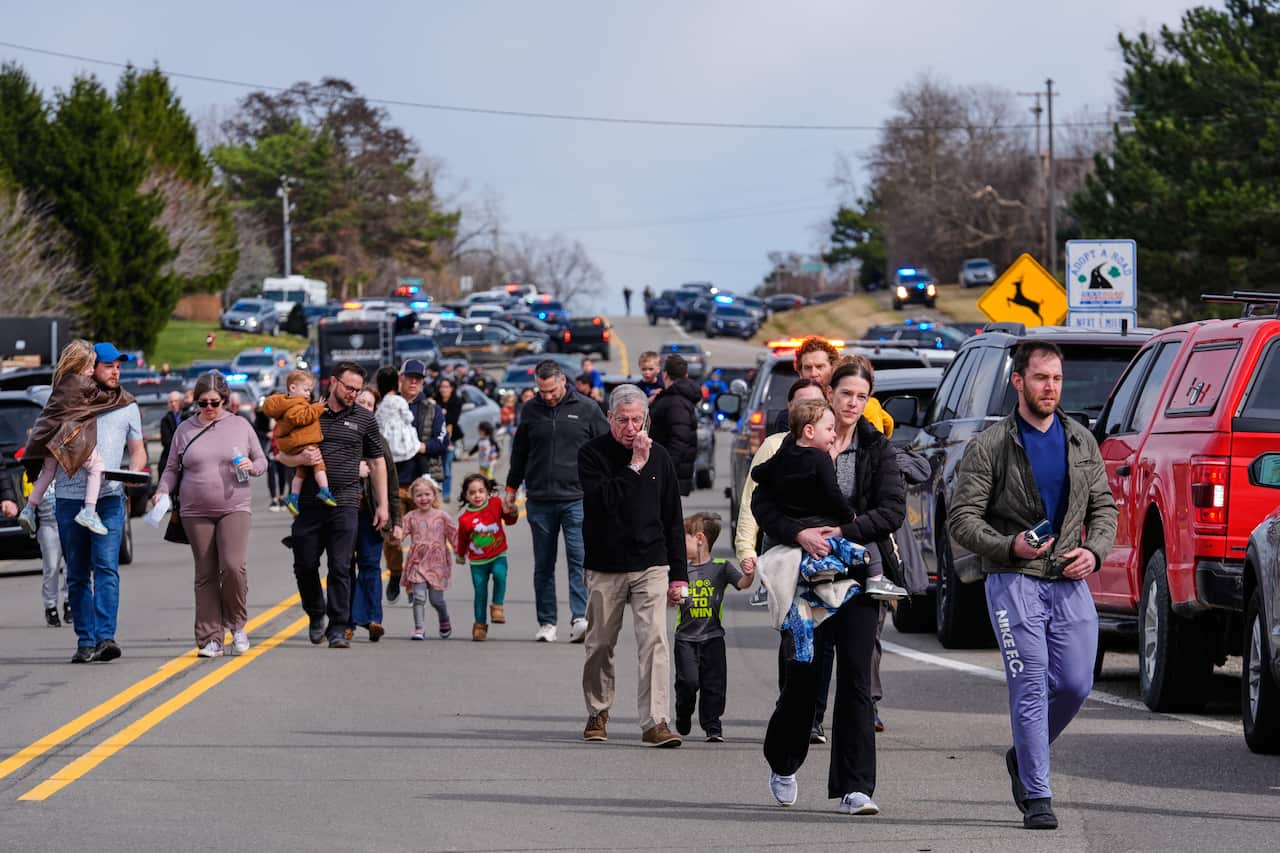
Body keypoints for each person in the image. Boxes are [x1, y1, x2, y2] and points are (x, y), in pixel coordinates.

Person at [948, 340, 1117, 831]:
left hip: (1068, 576)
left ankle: (1023, 755)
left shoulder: (1081, 439)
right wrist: (1010, 545)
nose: (1051, 388)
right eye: (1042, 378)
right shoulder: (992, 444)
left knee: (1074, 683)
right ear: (1018, 381)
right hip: (1013, 578)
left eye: (1057, 379)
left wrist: (1094, 551)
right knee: (1030, 684)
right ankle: (1039, 794)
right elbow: (962, 519)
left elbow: (1104, 508)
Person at [753, 358, 904, 816]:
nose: (853, 404)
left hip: (856, 576)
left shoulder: (876, 449)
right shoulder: (795, 442)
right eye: (846, 395)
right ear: (829, 393)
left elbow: (893, 509)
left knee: (856, 680)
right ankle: (783, 762)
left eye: (862, 396)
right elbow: (762, 500)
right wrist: (798, 533)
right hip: (803, 579)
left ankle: (854, 789)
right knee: (803, 679)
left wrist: (847, 531)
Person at [578, 384, 688, 747]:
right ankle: (598, 710)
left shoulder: (661, 458)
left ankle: (655, 721)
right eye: (622, 420)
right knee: (599, 643)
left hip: (651, 563)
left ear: (646, 420)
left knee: (654, 640)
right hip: (605, 564)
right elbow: (602, 502)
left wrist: (679, 577)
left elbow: (673, 518)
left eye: (636, 420)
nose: (629, 427)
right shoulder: (591, 455)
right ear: (610, 418)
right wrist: (634, 467)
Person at [154, 371, 267, 657]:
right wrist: (162, 491)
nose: (208, 408)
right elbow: (171, 468)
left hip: (234, 506)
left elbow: (261, 459)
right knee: (205, 572)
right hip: (195, 510)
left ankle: (237, 626)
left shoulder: (240, 425)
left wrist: (253, 468)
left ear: (225, 401)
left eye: (214, 403)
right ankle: (210, 638)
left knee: (232, 566)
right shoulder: (184, 430)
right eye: (202, 403)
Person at [276, 361, 388, 649]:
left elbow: (377, 462)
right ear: (333, 383)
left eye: (358, 389)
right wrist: (299, 460)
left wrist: (383, 505)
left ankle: (338, 627)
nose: (353, 393)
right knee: (305, 564)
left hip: (347, 501)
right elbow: (283, 454)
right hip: (310, 504)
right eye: (349, 387)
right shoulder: (306, 412)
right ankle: (315, 613)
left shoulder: (364, 419)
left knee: (341, 566)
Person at [52, 342, 145, 664]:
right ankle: (85, 640)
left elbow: (137, 450)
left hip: (109, 499)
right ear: (92, 368)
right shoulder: (70, 402)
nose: (116, 371)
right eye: (109, 366)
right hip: (68, 499)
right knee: (77, 573)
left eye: (119, 366)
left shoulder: (128, 405)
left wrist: (135, 471)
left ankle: (106, 638)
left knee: (106, 568)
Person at [504, 359, 608, 644]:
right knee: (543, 564)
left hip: (576, 498)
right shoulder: (530, 410)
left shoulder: (586, 408)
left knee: (578, 560)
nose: (547, 396)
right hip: (539, 500)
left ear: (563, 381)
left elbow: (606, 449)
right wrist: (510, 490)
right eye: (541, 391)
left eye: (551, 390)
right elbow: (520, 453)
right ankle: (547, 621)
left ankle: (580, 618)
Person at [21, 339, 135, 538]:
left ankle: (29, 509)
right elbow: (108, 397)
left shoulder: (60, 384)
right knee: (97, 467)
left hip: (51, 439)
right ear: (79, 366)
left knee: (47, 474)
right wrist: (126, 397)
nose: (92, 370)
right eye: (90, 366)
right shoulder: (83, 384)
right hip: (70, 437)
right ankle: (89, 512)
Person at [735, 379, 826, 608]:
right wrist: (746, 550)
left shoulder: (834, 445)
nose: (809, 411)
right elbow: (750, 501)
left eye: (816, 404)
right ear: (790, 408)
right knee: (792, 631)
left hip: (827, 557)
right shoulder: (774, 446)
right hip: (783, 552)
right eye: (802, 404)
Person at [673, 511, 753, 742]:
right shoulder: (681, 570)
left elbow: (742, 583)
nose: (679, 545)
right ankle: (683, 711)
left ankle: (712, 725)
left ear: (699, 538)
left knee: (714, 685)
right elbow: (670, 596)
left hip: (712, 637)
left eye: (683, 539)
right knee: (688, 681)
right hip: (686, 638)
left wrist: (750, 573)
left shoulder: (721, 567)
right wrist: (673, 595)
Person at [385, 359, 449, 603]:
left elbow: (442, 442)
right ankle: (396, 573)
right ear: (400, 378)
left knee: (425, 539)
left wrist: (419, 447)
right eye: (409, 377)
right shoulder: (388, 405)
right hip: (393, 482)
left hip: (423, 483)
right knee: (392, 535)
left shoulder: (432, 409)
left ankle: (415, 581)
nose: (413, 382)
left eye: (418, 379)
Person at [345, 385, 402, 643]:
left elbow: (391, 484)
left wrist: (395, 519)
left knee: (370, 565)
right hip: (344, 512)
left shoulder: (379, 440)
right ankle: (345, 621)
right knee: (344, 567)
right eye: (361, 402)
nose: (365, 407)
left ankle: (373, 619)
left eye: (370, 404)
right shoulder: (340, 433)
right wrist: (351, 468)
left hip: (371, 514)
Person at [263, 369, 338, 515]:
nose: (308, 394)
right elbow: (301, 417)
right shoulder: (295, 405)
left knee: (301, 472)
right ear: (292, 388)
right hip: (304, 443)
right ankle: (324, 490)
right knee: (319, 464)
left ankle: (294, 497)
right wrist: (317, 408)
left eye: (309, 390)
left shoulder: (291, 404)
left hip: (297, 444)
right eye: (306, 390)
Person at [456, 474, 511, 641]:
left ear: (488, 492)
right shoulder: (465, 519)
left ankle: (497, 607)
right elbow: (462, 539)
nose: (477, 495)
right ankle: (479, 626)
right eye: (472, 493)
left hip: (498, 553)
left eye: (481, 491)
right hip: (478, 562)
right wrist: (460, 555)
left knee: (501, 577)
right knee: (480, 593)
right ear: (466, 496)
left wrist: (513, 512)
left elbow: (509, 519)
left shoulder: (495, 504)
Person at [400, 475, 456, 640]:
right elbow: (399, 535)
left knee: (436, 600)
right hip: (417, 561)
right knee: (418, 597)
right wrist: (393, 534)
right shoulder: (410, 517)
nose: (423, 498)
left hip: (437, 563)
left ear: (434, 495)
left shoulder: (442, 516)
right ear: (413, 498)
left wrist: (462, 551)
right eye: (419, 495)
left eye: (427, 494)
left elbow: (454, 535)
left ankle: (444, 618)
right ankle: (419, 628)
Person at [648, 353, 699, 497]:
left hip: (667, 475)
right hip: (669, 473)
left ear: (665, 375)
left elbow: (679, 439)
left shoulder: (676, 402)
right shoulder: (673, 399)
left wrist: (663, 469)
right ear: (686, 375)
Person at [435, 376, 463, 502]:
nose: (443, 389)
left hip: (451, 438)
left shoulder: (456, 401)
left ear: (452, 388)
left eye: (446, 387)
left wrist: (443, 413)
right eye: (442, 387)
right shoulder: (435, 400)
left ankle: (446, 494)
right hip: (435, 438)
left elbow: (453, 419)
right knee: (435, 466)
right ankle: (436, 491)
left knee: (446, 466)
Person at [157, 390, 183, 483]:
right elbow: (165, 441)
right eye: (171, 402)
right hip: (170, 456)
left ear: (180, 402)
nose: (173, 404)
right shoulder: (165, 420)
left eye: (176, 401)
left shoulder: (187, 415)